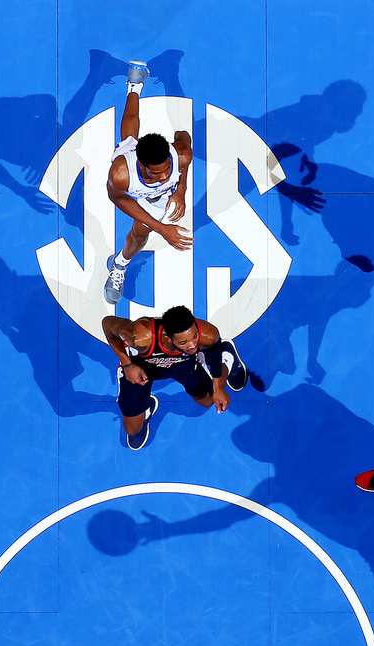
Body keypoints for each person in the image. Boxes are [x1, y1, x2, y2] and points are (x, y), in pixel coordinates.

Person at [104, 60, 193, 304]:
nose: (165, 177)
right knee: (129, 136)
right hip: (137, 192)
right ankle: (120, 266)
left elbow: (183, 137)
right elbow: (117, 197)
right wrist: (161, 228)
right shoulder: (121, 174)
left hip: (162, 197)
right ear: (142, 165)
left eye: (167, 170)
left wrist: (180, 191)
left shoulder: (181, 155)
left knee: (140, 236)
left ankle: (136, 84)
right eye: (157, 174)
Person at [101, 306, 247, 450]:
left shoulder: (207, 334)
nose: (192, 346)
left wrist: (219, 388)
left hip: (183, 367)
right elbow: (107, 324)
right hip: (141, 371)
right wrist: (127, 364)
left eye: (194, 337)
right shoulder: (140, 336)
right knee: (133, 430)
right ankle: (145, 407)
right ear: (167, 337)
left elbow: (214, 351)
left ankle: (228, 357)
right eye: (183, 342)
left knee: (209, 400)